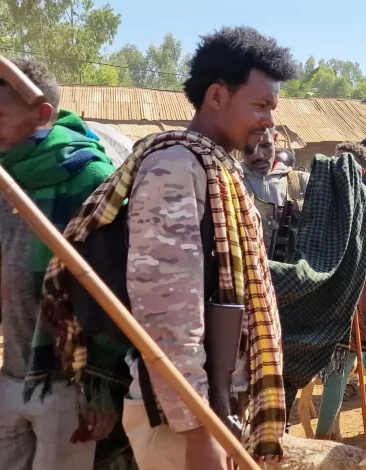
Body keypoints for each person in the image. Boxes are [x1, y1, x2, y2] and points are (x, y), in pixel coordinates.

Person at [42, 27, 295, 470]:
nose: (269, 121)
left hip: (211, 404)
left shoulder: (213, 166)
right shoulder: (175, 167)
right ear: (217, 96)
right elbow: (168, 311)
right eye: (261, 105)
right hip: (183, 419)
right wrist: (199, 432)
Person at [0, 58, 129, 470]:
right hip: (11, 372)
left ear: (42, 114)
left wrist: (101, 389)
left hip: (70, 383)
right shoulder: (2, 177)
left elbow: (116, 289)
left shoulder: (92, 179)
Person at [315, 143, 366, 440]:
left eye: (342, 164)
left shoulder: (357, 203)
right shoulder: (331, 201)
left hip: (362, 301)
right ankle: (326, 436)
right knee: (348, 369)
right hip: (344, 301)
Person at [241, 128, 309, 260]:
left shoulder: (303, 182)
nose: (259, 155)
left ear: (275, 139)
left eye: (265, 145)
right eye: (250, 148)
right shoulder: (230, 182)